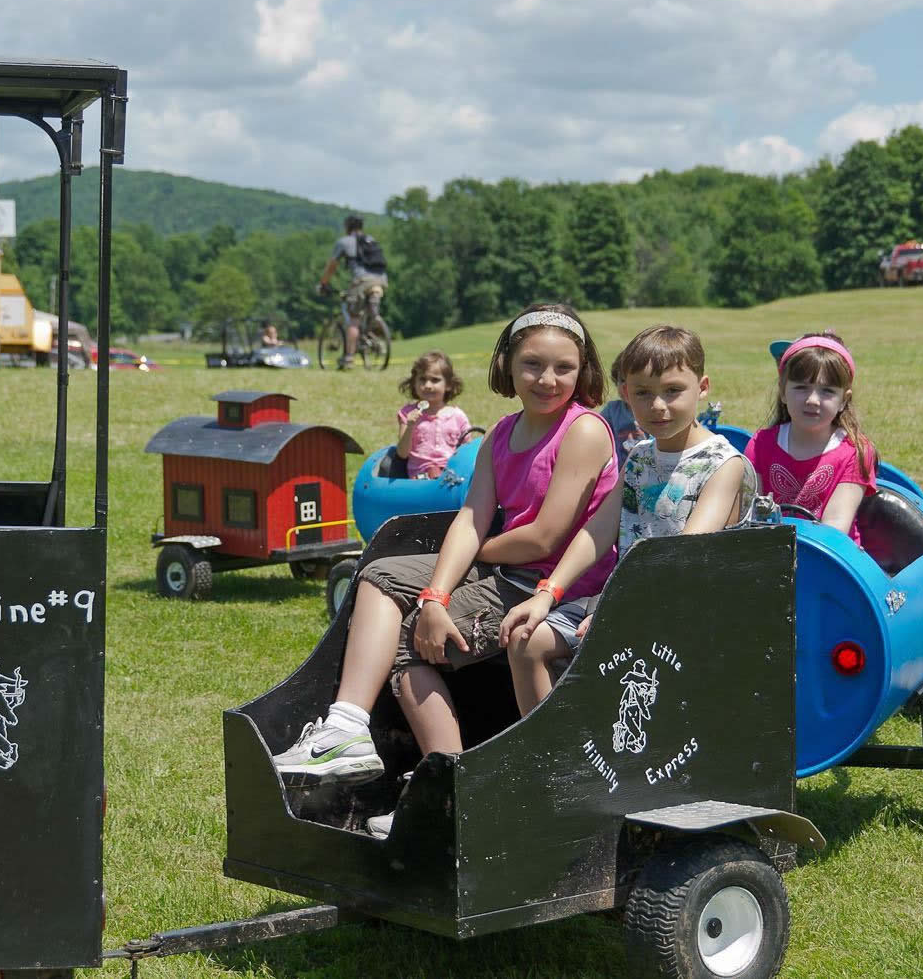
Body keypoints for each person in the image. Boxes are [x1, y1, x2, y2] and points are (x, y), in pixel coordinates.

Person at [271, 302, 617, 838]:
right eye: (532, 364)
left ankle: (451, 791)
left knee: (406, 642)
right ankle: (348, 726)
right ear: (507, 365)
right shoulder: (501, 434)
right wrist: (435, 595)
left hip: (555, 589)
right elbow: (471, 518)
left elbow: (545, 537)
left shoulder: (585, 431)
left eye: (563, 368)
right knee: (379, 573)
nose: (547, 380)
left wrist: (463, 571)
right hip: (507, 573)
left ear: (583, 370)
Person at [500, 325, 756, 714]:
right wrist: (546, 594)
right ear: (625, 394)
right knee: (525, 640)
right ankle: (553, 749)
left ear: (702, 387)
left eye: (673, 390)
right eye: (643, 393)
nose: (658, 406)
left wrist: (617, 613)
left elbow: (682, 555)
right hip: (624, 598)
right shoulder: (639, 457)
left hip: (685, 610)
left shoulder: (724, 464)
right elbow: (596, 532)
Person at [743, 331, 877, 544]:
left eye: (827, 391)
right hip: (770, 552)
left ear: (844, 400)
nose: (813, 400)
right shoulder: (760, 444)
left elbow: (835, 528)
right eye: (801, 388)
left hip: (829, 555)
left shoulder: (856, 451)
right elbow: (750, 515)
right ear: (783, 392)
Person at [316, 214, 387, 370]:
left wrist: (323, 283)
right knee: (370, 312)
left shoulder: (344, 242)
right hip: (381, 280)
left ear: (347, 226)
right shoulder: (371, 240)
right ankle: (374, 335)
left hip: (361, 282)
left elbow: (332, 265)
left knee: (353, 318)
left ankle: (348, 358)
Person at [396, 350, 471, 479]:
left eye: (435, 380)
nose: (427, 385)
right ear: (414, 382)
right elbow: (402, 454)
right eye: (422, 379)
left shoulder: (458, 416)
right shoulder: (408, 413)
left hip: (451, 477)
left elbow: (468, 453)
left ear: (448, 385)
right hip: (419, 479)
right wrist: (410, 427)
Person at [599, 349, 646, 472]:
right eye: (622, 380)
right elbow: (597, 434)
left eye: (635, 381)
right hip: (619, 474)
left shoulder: (654, 410)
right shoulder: (612, 411)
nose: (626, 387)